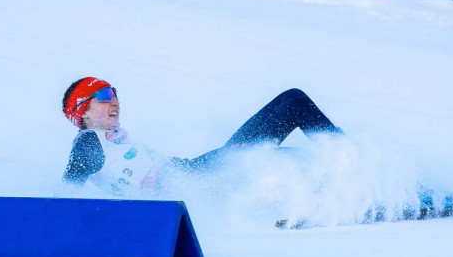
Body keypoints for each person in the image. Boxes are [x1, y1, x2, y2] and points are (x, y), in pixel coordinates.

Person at [62, 77, 343, 196]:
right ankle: (350, 172)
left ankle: (348, 173)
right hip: (200, 180)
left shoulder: (116, 139)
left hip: (203, 172)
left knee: (293, 103)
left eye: (115, 94)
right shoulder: (89, 142)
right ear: (82, 111)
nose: (114, 101)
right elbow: (67, 192)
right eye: (103, 95)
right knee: (292, 112)